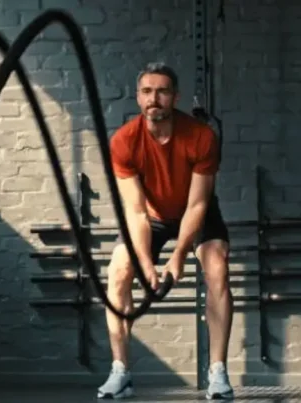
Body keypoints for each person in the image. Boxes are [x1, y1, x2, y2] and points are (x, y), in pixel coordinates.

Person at [96, 62, 234, 401]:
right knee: (118, 271)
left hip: (193, 209)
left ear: (175, 97)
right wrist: (146, 263)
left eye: (162, 91)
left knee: (217, 265)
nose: (153, 98)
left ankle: (217, 372)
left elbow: (198, 206)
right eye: (147, 91)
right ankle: (120, 370)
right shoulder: (125, 142)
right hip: (152, 215)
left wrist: (178, 256)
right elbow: (137, 210)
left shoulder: (201, 137)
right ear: (137, 97)